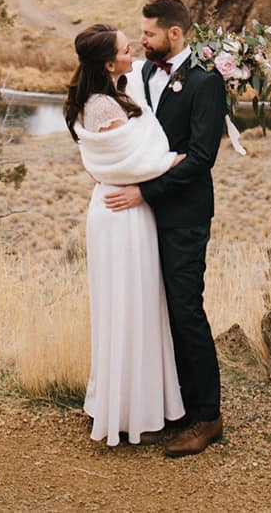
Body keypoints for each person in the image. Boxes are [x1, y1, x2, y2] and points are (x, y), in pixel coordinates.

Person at [102, 0, 228, 456]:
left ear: (175, 34)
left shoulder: (206, 82)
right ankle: (164, 407)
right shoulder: (138, 75)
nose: (142, 40)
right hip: (140, 219)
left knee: (185, 311)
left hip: (184, 216)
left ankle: (206, 416)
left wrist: (145, 191)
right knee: (149, 309)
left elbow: (200, 159)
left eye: (150, 34)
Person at [64, 23, 185, 446]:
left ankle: (130, 404)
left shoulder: (113, 92)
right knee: (128, 307)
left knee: (134, 305)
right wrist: (173, 161)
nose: (133, 49)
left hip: (125, 205)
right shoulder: (101, 107)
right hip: (122, 211)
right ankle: (133, 415)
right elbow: (132, 160)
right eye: (125, 48)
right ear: (108, 62)